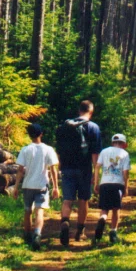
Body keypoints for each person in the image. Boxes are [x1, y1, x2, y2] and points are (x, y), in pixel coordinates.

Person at [55, 100, 102, 246]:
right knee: (83, 200)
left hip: (67, 168)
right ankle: (80, 232)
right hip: (84, 169)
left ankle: (65, 222)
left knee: (67, 200)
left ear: (79, 110)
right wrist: (96, 174)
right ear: (91, 111)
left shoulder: (65, 126)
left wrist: (59, 168)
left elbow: (59, 150)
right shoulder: (93, 127)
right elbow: (95, 154)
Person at [13, 123, 60, 251]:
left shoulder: (25, 149)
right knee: (39, 211)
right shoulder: (48, 149)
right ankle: (37, 234)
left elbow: (20, 170)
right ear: (41, 134)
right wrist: (56, 187)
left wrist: (16, 187)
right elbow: (53, 169)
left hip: (28, 185)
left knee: (27, 211)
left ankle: (27, 235)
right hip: (42, 185)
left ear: (29, 135)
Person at [93, 133, 131, 245]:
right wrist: (126, 187)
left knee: (104, 208)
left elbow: (97, 166)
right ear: (124, 144)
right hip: (117, 184)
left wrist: (96, 183)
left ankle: (102, 219)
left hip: (104, 183)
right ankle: (113, 232)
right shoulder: (125, 154)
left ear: (112, 142)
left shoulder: (104, 151)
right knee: (116, 209)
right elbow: (125, 173)